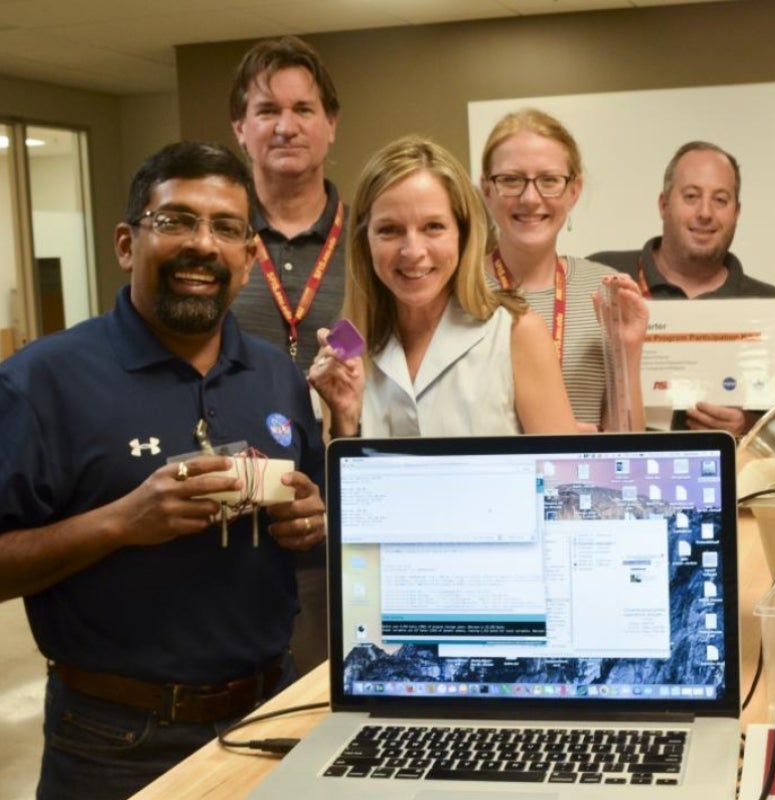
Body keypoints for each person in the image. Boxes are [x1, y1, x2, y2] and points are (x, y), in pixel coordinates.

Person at [0, 141, 326, 800]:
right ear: (125, 243)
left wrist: (310, 520)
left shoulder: (276, 375)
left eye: (227, 228)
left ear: (248, 259)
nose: (203, 244)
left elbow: (308, 523)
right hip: (113, 740)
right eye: (175, 221)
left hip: (270, 714)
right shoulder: (37, 384)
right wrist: (120, 523)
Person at [309, 135, 578, 438]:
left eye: (433, 227)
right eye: (390, 230)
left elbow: (565, 479)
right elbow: (342, 482)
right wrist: (345, 426)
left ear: (462, 234)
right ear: (364, 240)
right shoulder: (344, 349)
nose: (413, 251)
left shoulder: (516, 333)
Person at [228, 34, 341, 674]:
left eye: (303, 110)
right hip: (236, 536)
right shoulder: (214, 244)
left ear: (330, 125)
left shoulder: (377, 239)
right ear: (240, 128)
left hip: (352, 528)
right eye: (267, 110)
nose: (286, 126)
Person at [590, 141, 775, 436]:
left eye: (720, 200)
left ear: (736, 212)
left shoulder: (772, 304)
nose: (705, 212)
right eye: (691, 196)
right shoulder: (606, 277)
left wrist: (748, 428)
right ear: (664, 205)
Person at [479, 108, 647, 431]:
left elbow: (628, 447)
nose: (530, 198)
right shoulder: (458, 290)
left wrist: (628, 353)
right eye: (511, 180)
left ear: (574, 191)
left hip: (582, 482)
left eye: (549, 181)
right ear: (487, 190)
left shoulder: (603, 290)